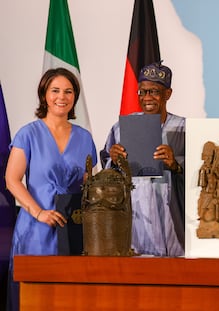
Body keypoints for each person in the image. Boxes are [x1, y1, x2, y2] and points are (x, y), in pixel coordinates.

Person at [5, 67, 97, 311]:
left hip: (74, 229)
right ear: (44, 94)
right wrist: (38, 213)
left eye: (68, 91)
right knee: (35, 299)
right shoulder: (28, 134)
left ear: (75, 97)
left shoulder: (85, 137)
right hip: (36, 230)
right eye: (55, 90)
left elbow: (90, 184)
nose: (62, 97)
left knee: (71, 299)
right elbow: (12, 180)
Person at [101, 61, 185, 257]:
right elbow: (106, 177)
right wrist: (113, 160)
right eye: (142, 92)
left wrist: (176, 165)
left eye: (154, 91)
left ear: (167, 94)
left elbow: (201, 174)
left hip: (174, 227)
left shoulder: (183, 128)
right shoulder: (121, 129)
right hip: (135, 225)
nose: (147, 98)